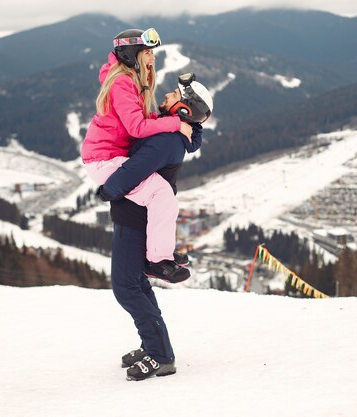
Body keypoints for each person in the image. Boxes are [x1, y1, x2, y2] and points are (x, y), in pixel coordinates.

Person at [107, 77, 213, 381]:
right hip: (136, 216)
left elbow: (133, 170)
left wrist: (107, 189)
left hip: (135, 218)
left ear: (182, 108)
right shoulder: (170, 134)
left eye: (173, 95)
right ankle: (153, 344)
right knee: (136, 284)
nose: (165, 95)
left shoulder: (166, 140)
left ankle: (161, 356)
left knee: (126, 288)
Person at [81, 28, 194, 282]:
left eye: (152, 51)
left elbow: (141, 119)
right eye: (147, 52)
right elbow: (137, 128)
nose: (152, 57)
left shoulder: (128, 79)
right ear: (132, 55)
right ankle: (156, 261)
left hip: (110, 155)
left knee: (161, 191)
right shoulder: (122, 82)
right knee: (160, 193)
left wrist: (172, 120)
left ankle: (160, 249)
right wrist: (175, 124)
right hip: (104, 160)